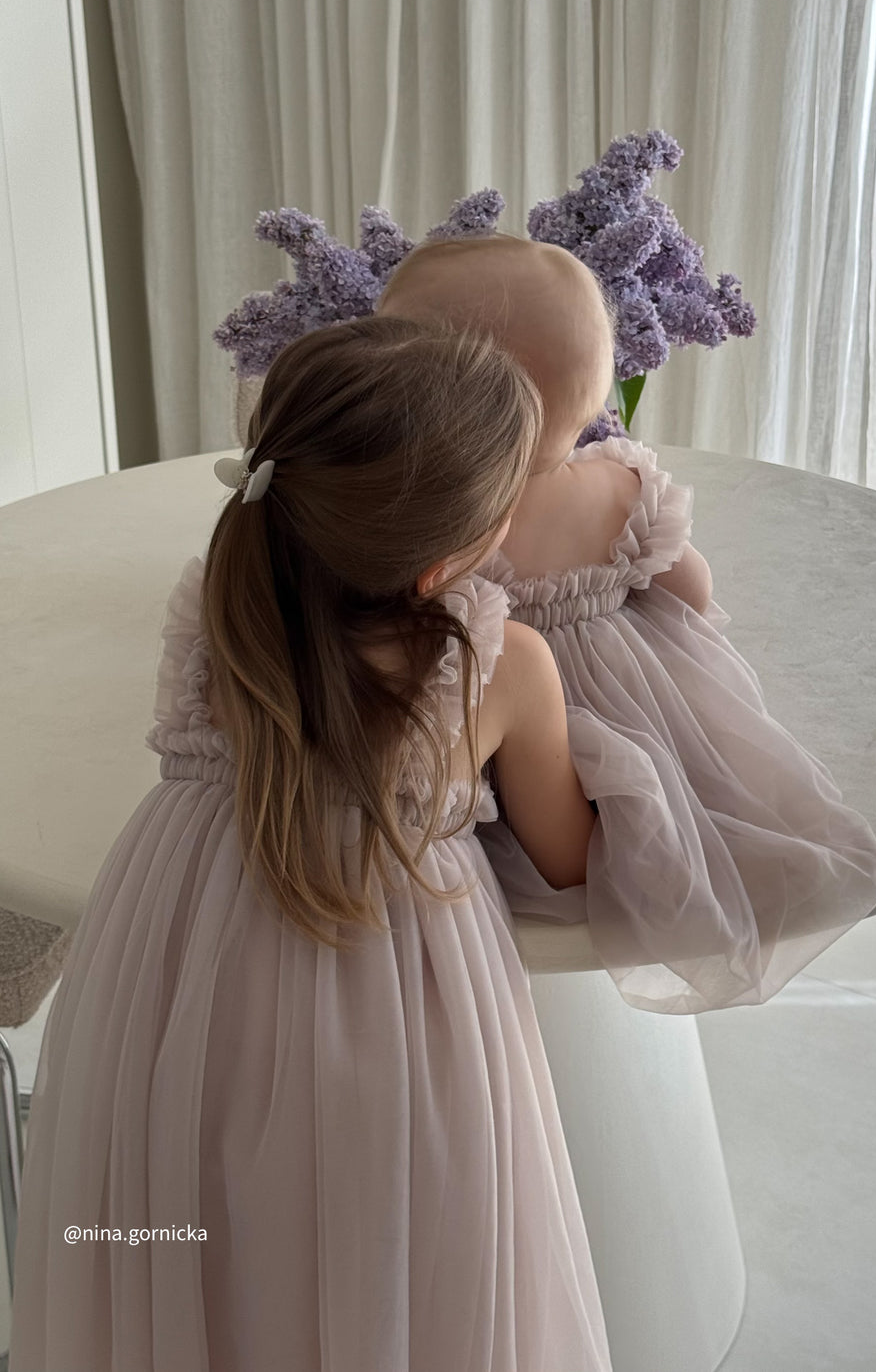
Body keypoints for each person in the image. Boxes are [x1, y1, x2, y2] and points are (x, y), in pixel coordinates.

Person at [10, 317, 613, 1372]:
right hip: (393, 1013)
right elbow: (571, 858)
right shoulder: (502, 660)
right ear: (440, 565)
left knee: (198, 1229)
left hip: (181, 983)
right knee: (400, 1242)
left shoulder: (220, 610)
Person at [379, 237, 876, 1014]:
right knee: (655, 796)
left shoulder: (439, 523)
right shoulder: (618, 486)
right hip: (636, 712)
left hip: (511, 732)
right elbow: (692, 588)